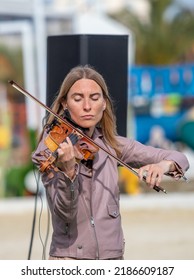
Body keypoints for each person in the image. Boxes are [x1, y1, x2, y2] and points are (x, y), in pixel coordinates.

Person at [32, 65, 189, 260]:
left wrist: (161, 166)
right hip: (69, 260)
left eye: (95, 98)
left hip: (112, 259)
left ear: (104, 103)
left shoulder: (112, 145)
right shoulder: (50, 150)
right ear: (65, 103)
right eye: (78, 99)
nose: (87, 106)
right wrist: (69, 170)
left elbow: (179, 158)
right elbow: (65, 213)